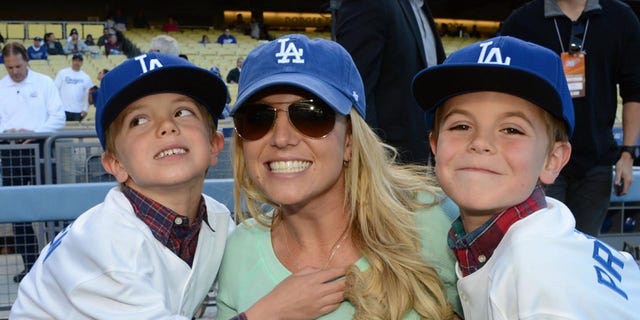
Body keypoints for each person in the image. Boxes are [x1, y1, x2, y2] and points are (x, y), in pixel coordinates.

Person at [216, 34, 461, 319]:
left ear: (350, 141)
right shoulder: (237, 252)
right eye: (257, 118)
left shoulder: (435, 220)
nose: (281, 138)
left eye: (310, 115)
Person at [413, 35, 640, 319]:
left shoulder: (536, 274)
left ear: (552, 159)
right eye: (461, 125)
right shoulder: (545, 229)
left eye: (511, 130)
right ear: (434, 144)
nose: (481, 142)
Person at [10, 52, 233, 318]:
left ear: (214, 145)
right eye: (139, 120)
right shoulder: (103, 247)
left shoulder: (218, 219)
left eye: (182, 111)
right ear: (116, 164)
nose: (167, 126)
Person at [499, 0, 640, 236]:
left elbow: (634, 91)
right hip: (540, 162)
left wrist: (627, 153)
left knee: (584, 250)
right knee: (539, 246)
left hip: (595, 164)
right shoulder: (523, 21)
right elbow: (504, 92)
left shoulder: (620, 19)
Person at [335, 0, 446, 165]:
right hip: (386, 162)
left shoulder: (419, 8)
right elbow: (356, 92)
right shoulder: (370, 4)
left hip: (418, 156)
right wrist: (373, 163)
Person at [0, 42, 65, 283]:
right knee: (19, 212)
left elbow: (58, 117)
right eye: (9, 68)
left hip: (41, 149)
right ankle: (30, 266)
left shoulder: (45, 83)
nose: (15, 71)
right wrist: (9, 132)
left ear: (27, 61)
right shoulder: (1, 87)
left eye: (18, 66)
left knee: (52, 208)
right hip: (11, 152)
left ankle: (56, 265)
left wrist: (35, 132)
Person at [54, 53, 93, 122]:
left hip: (78, 111)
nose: (77, 63)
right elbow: (55, 89)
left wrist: (85, 109)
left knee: (75, 131)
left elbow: (88, 95)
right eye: (75, 60)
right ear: (72, 61)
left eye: (79, 61)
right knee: (62, 132)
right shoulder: (62, 73)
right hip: (63, 109)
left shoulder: (86, 77)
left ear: (82, 63)